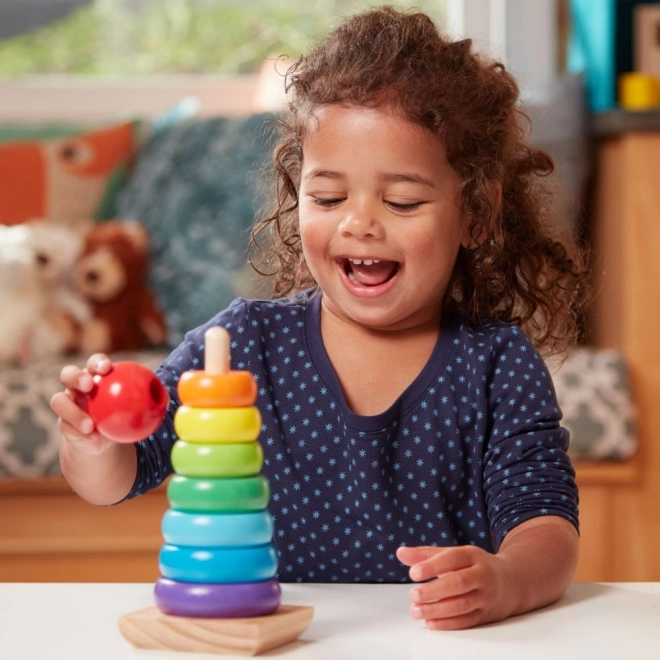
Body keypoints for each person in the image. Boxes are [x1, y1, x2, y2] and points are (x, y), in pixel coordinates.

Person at [51, 6, 589, 630]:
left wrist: (507, 580)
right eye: (328, 197)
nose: (359, 222)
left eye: (402, 200)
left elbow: (547, 525)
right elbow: (120, 476)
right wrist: (93, 443)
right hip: (281, 640)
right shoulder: (241, 343)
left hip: (438, 643)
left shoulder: (495, 362)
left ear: (475, 213)